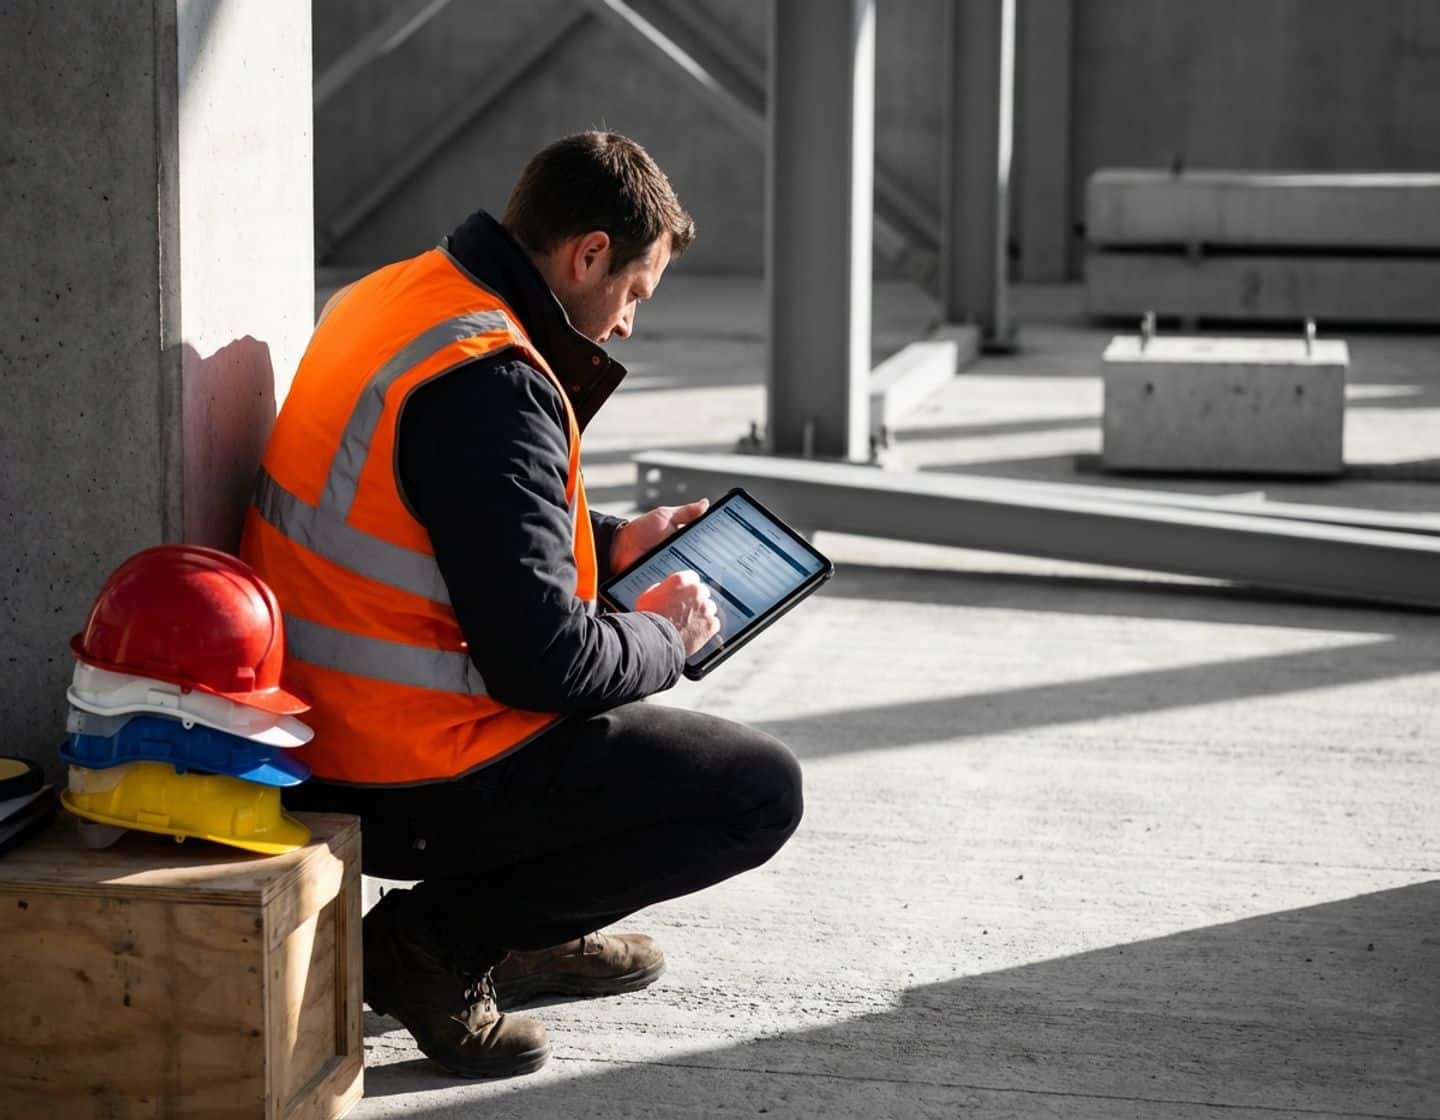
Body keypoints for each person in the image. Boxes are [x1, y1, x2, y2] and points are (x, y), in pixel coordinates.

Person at [240, 131, 803, 1079]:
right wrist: (666, 634)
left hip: (306, 723)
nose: (626, 325)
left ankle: (525, 926)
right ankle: (439, 942)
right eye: (633, 293)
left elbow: (454, 508)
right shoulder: (494, 381)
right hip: (390, 769)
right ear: (587, 254)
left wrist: (612, 541)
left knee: (621, 679)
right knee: (755, 791)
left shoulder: (403, 295)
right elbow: (542, 662)